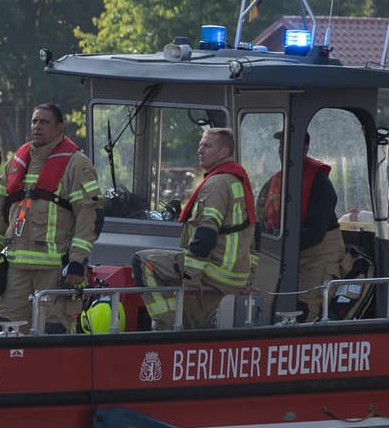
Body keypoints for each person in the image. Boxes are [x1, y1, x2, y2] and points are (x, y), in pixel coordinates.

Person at [0, 103, 102, 333]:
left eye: (44, 122)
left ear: (59, 127)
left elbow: (87, 216)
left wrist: (76, 262)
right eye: (34, 121)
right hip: (16, 267)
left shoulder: (76, 164)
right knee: (5, 328)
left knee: (53, 328)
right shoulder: (16, 162)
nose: (37, 127)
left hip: (54, 268)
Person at [134, 127, 255, 329]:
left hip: (214, 269)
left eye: (207, 145)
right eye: (200, 144)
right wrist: (248, 278)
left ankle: (166, 325)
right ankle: (185, 330)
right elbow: (253, 235)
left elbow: (206, 235)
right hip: (234, 274)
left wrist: (191, 278)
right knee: (190, 319)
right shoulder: (238, 181)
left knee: (142, 262)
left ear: (224, 152)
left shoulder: (216, 184)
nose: (200, 150)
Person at [259, 132, 345, 322]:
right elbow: (260, 222)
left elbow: (315, 233)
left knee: (304, 307)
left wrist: (280, 243)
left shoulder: (321, 184)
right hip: (284, 250)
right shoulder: (274, 183)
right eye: (281, 146)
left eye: (288, 145)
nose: (282, 150)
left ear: (305, 148)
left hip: (319, 252)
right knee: (262, 301)